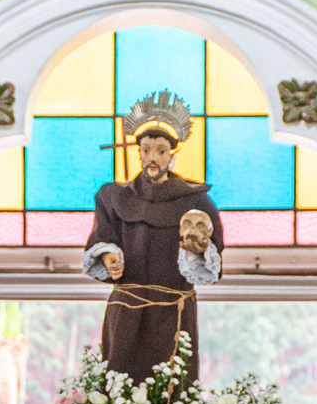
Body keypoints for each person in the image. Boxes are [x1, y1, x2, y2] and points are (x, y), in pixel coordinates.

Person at [82, 92, 222, 386]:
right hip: (128, 308)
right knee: (120, 385)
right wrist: (109, 257)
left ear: (172, 155)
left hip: (173, 310)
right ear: (139, 153)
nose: (152, 158)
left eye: (160, 151)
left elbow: (211, 249)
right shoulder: (114, 197)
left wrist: (197, 251)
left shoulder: (195, 200)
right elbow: (103, 235)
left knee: (172, 385)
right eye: (146, 150)